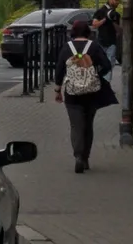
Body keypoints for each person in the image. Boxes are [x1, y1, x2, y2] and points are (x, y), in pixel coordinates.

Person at [53, 17, 109, 174]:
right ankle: (85, 158)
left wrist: (58, 90)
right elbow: (107, 65)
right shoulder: (95, 46)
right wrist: (96, 74)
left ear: (73, 32)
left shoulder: (66, 48)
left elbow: (59, 70)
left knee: (76, 126)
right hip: (92, 93)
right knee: (88, 125)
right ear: (88, 32)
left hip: (72, 94)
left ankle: (77, 156)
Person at [92, 0, 121, 70]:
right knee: (101, 62)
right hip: (101, 41)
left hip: (112, 42)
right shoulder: (101, 11)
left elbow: (118, 30)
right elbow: (94, 25)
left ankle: (106, 80)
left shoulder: (115, 14)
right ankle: (101, 79)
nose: (117, 2)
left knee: (110, 63)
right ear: (110, 0)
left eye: (118, 1)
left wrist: (114, 22)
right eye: (116, 0)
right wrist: (105, 19)